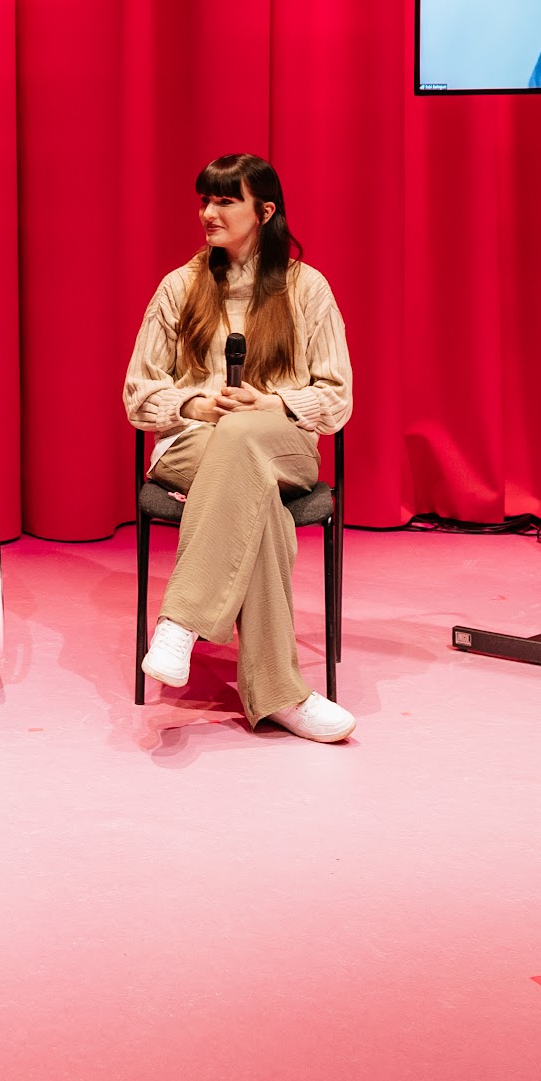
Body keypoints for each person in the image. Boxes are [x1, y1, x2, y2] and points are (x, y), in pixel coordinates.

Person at [124, 154, 358, 742]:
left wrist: (274, 406)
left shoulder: (308, 289)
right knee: (260, 502)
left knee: (245, 441)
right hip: (192, 443)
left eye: (225, 201)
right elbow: (137, 393)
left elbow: (336, 397)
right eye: (205, 200)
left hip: (284, 445)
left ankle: (181, 619)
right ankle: (281, 693)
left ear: (265, 211)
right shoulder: (179, 287)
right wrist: (195, 405)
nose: (208, 212)